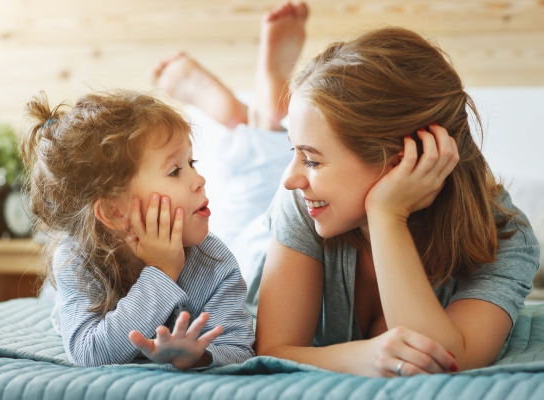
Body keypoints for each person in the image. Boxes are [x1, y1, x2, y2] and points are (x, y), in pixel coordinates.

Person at [152, 2, 540, 377]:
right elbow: (271, 348)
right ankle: (257, 114)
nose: (292, 179)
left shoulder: (505, 237)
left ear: (403, 160)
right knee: (252, 194)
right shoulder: (300, 201)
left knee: (264, 175)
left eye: (313, 160)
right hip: (256, 250)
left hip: (330, 204)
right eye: (300, 153)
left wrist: (388, 215)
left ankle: (265, 119)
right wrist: (360, 357)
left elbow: (446, 361)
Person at [21, 90, 254, 369]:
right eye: (175, 171)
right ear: (114, 211)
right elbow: (89, 352)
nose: (200, 180)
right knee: (55, 298)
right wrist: (161, 273)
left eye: (192, 163)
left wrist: (199, 355)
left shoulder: (215, 263)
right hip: (70, 290)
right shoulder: (77, 258)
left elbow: (239, 348)